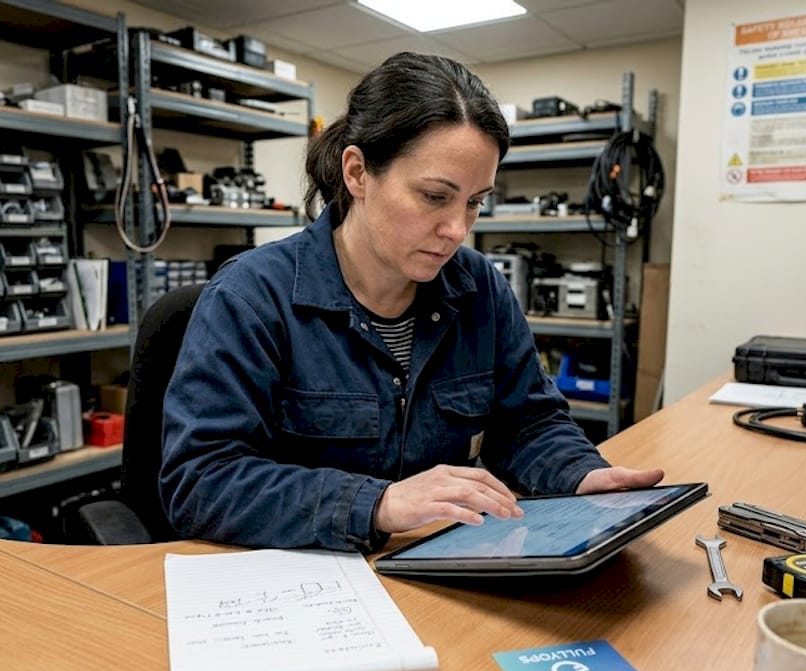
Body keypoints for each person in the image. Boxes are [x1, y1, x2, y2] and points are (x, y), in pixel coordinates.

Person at [159, 52, 663, 552]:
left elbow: (528, 422)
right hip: (300, 586)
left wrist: (583, 475)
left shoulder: (479, 288)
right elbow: (200, 481)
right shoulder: (252, 297)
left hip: (435, 573)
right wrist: (377, 504)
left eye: (474, 202)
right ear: (357, 173)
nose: (457, 230)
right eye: (434, 196)